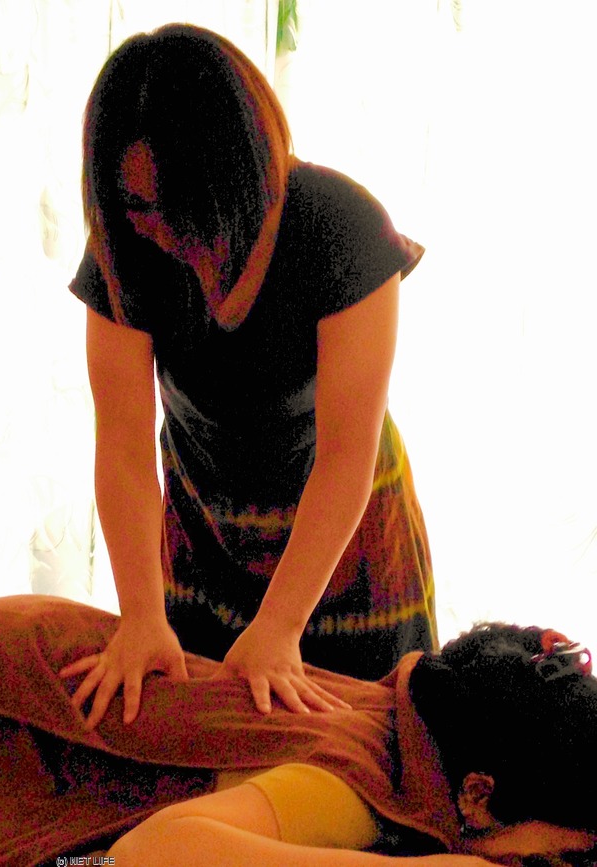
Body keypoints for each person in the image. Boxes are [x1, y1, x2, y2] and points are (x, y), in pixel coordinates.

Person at [64, 21, 435, 726]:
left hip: (345, 547)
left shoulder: (342, 229)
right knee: (209, 745)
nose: (163, 231)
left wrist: (281, 625)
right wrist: (140, 614)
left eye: (183, 205)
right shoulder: (124, 248)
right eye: (139, 206)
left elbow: (346, 453)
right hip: (206, 538)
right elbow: (123, 445)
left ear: (236, 172)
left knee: (367, 750)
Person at [104, 621, 597, 865]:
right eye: (565, 860)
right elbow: (138, 854)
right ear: (478, 795)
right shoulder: (360, 790)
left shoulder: (423, 727)